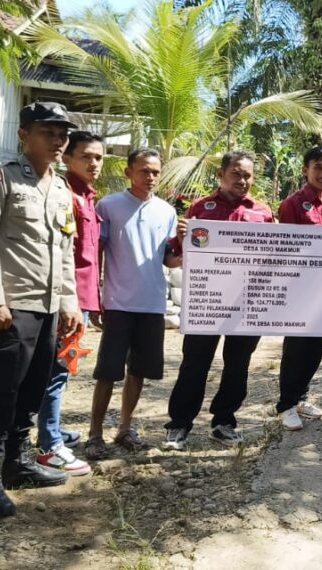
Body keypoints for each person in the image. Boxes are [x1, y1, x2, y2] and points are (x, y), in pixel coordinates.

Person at [0, 101, 82, 517]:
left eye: (62, 135)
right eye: (48, 132)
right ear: (24, 135)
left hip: (48, 307)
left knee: (32, 389)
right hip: (13, 306)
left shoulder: (61, 188)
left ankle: (16, 463)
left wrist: (68, 301)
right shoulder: (0, 178)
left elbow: (65, 249)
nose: (57, 141)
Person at [162, 151, 275, 449]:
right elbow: (176, 258)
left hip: (248, 303)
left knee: (238, 365)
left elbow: (274, 257)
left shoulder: (263, 213)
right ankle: (179, 423)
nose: (242, 180)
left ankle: (224, 421)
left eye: (248, 175)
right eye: (236, 173)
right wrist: (183, 238)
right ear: (221, 175)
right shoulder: (201, 208)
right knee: (194, 363)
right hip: (207, 302)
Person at [85, 148, 179, 458]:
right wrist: (95, 297)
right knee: (107, 372)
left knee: (137, 371)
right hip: (117, 303)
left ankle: (125, 428)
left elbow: (169, 259)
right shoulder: (109, 205)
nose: (150, 177)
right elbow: (96, 253)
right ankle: (95, 434)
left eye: (155, 172)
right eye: (144, 171)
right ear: (129, 172)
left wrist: (188, 245)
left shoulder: (167, 211)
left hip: (152, 304)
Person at [35, 131, 104, 477]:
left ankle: (52, 430)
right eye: (86, 156)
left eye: (99, 157)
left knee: (62, 369)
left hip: (84, 301)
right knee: (56, 372)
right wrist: (70, 304)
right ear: (67, 158)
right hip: (68, 302)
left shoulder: (88, 197)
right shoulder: (65, 196)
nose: (94, 163)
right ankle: (49, 445)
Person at [273, 146, 322, 426]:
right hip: (298, 288)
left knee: (315, 348)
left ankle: (301, 398)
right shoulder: (292, 204)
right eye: (318, 167)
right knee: (296, 348)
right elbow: (287, 248)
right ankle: (286, 405)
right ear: (305, 170)